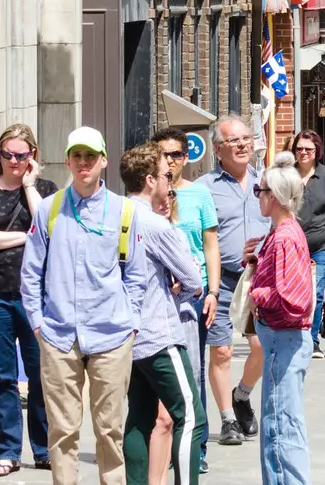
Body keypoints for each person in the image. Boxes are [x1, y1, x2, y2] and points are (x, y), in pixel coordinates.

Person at [21, 128, 152, 485]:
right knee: (62, 429)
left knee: (109, 429)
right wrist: (37, 322)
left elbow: (137, 275)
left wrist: (132, 323)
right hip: (59, 334)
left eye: (90, 157)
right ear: (67, 161)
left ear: (103, 161)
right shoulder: (49, 210)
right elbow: (31, 272)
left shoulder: (124, 211)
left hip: (111, 334)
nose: (83, 164)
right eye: (77, 156)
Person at [0, 124, 57, 477]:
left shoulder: (45, 189)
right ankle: (7, 451)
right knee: (3, 376)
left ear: (33, 156)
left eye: (22, 155)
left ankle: (43, 447)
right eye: (9, 155)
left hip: (35, 296)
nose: (15, 161)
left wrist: (31, 187)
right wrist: (25, 236)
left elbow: (47, 227)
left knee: (40, 374)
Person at [120, 144, 205, 485]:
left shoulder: (116, 214)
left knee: (139, 418)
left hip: (130, 335)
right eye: (165, 176)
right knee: (191, 416)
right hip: (160, 333)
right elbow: (193, 278)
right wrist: (182, 293)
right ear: (150, 180)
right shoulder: (155, 225)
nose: (169, 184)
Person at [147, 129, 215, 485]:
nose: (169, 161)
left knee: (193, 375)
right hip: (156, 309)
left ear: (185, 157)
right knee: (160, 395)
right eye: (163, 155)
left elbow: (208, 245)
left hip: (191, 300)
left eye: (174, 154)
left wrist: (211, 290)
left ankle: (195, 450)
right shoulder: (149, 201)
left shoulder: (198, 195)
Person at [250, 154, 316, 485]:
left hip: (283, 341)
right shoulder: (283, 232)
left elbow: (293, 300)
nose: (257, 196)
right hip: (283, 342)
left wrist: (256, 295)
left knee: (280, 429)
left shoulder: (286, 236)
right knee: (284, 424)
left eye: (259, 190)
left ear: (273, 196)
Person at [203, 117, 268, 446]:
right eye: (234, 140)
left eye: (247, 138)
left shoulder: (265, 184)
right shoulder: (205, 187)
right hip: (222, 279)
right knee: (222, 352)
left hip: (257, 280)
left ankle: (241, 395)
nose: (243, 145)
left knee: (261, 347)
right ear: (218, 149)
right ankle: (228, 419)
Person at [287, 131, 325, 354]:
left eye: (308, 149)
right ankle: (298, 334)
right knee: (297, 292)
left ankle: (311, 341)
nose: (303, 153)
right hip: (294, 245)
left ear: (317, 152)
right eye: (299, 149)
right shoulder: (288, 176)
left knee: (316, 291)